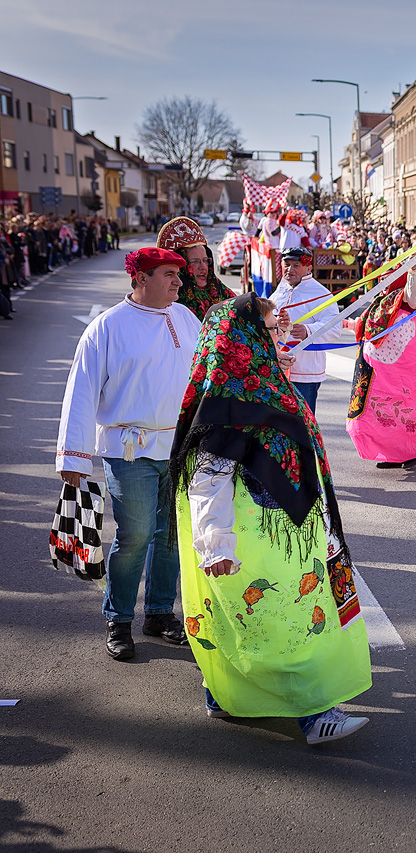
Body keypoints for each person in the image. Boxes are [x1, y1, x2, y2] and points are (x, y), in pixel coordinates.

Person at [169, 294, 372, 744]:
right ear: (245, 340)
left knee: (255, 622)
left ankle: (225, 696)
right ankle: (314, 715)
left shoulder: (263, 385)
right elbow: (208, 479)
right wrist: (217, 544)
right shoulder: (230, 401)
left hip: (281, 537)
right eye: (270, 331)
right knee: (286, 623)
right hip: (256, 545)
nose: (278, 338)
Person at [56, 248, 201, 660]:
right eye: (170, 274)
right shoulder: (106, 327)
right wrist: (74, 457)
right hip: (128, 448)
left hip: (178, 445)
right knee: (135, 535)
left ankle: (158, 613)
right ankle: (119, 619)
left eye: (179, 274)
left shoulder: (186, 318)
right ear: (140, 277)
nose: (178, 282)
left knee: (169, 535)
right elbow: (81, 392)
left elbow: (207, 371)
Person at [346, 269, 416, 469]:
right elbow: (365, 325)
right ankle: (390, 454)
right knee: (381, 411)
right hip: (380, 373)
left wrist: (413, 274)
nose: (385, 282)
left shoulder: (405, 298)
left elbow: (413, 295)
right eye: (382, 278)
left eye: (390, 278)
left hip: (406, 371)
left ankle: (410, 452)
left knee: (407, 408)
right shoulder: (379, 301)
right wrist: (349, 325)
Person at [270, 247, 342, 415]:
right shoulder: (278, 292)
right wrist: (276, 324)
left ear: (308, 268)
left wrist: (308, 330)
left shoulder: (321, 294)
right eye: (287, 264)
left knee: (303, 424)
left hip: (305, 372)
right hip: (278, 368)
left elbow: (335, 327)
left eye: (296, 265)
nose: (290, 270)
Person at [158, 216, 236, 319]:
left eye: (205, 260)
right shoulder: (169, 301)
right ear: (182, 267)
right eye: (195, 261)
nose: (203, 267)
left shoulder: (217, 288)